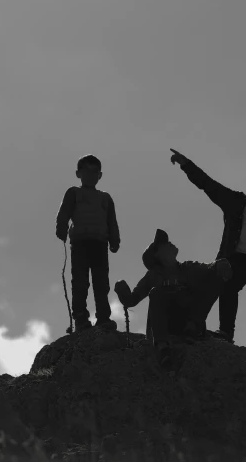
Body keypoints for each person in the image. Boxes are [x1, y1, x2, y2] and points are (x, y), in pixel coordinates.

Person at [169, 149, 246, 356]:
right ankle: (226, 332)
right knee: (226, 288)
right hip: (236, 259)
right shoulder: (235, 201)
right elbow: (208, 185)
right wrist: (186, 165)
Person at [113, 229, 233, 364]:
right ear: (157, 255)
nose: (170, 243)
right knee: (156, 293)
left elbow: (208, 268)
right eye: (165, 244)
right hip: (165, 324)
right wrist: (122, 291)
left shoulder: (187, 268)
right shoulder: (153, 275)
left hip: (186, 321)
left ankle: (192, 327)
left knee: (215, 278)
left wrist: (218, 264)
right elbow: (132, 300)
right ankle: (162, 346)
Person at [55, 154, 120, 333]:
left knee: (101, 282)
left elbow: (111, 221)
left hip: (100, 244)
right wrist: (61, 228)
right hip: (80, 243)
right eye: (87, 171)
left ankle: (103, 318)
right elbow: (64, 213)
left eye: (95, 171)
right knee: (80, 283)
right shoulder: (74, 193)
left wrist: (115, 239)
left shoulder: (106, 198)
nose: (91, 175)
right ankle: (81, 319)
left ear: (100, 175)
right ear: (78, 173)